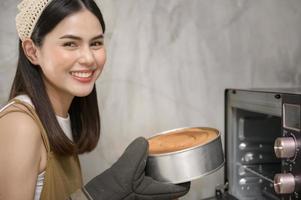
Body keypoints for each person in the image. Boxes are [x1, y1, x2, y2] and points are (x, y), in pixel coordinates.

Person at [0, 0, 190, 199]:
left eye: (96, 43)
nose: (89, 58)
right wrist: (98, 192)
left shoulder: (62, 118)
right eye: (70, 44)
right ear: (32, 51)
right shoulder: (20, 125)